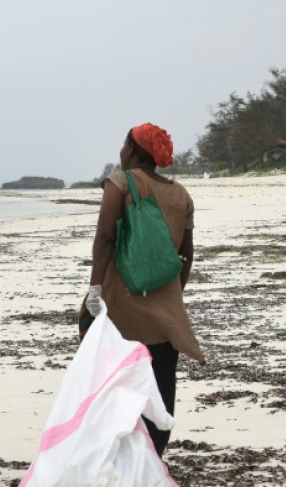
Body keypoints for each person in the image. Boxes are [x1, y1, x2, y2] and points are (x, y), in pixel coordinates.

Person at [84, 123, 204, 457]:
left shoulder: (120, 182)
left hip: (122, 310)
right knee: (161, 389)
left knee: (117, 387)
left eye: (124, 147)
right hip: (166, 315)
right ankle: (154, 463)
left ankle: (123, 465)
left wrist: (94, 290)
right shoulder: (181, 195)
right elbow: (187, 253)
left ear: (133, 152)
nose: (121, 154)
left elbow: (105, 239)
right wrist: (171, 295)